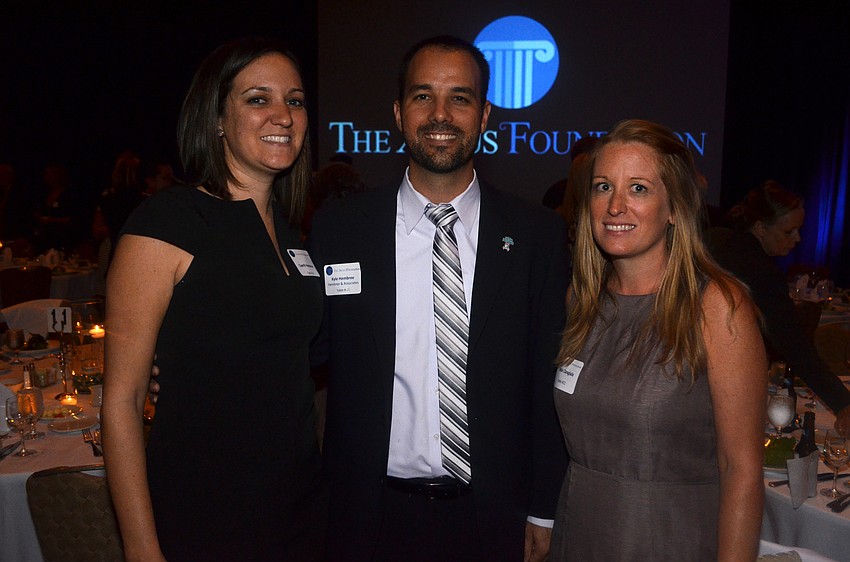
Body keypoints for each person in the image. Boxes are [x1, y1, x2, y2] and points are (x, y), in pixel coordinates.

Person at [308, 35, 568, 561]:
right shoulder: (340, 230)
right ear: (400, 113)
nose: (440, 114)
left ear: (485, 114)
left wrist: (544, 509)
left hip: (496, 517)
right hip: (367, 517)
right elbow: (299, 352)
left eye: (461, 97)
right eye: (423, 96)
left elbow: (549, 378)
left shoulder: (537, 235)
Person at [102, 38, 326, 561]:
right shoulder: (169, 223)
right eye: (257, 99)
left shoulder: (293, 237)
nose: (283, 115)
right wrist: (141, 549)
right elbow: (122, 401)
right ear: (218, 118)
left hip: (300, 510)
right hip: (206, 514)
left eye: (294, 100)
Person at [550, 119, 766, 560]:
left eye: (639, 189)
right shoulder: (582, 301)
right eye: (603, 187)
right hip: (580, 534)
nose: (615, 206)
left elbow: (741, 471)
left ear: (674, 207)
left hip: (670, 538)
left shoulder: (718, 307)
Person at [707, 180, 850, 434]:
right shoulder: (759, 270)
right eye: (788, 232)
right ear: (760, 228)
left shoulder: (712, 237)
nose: (797, 239)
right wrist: (843, 403)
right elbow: (794, 344)